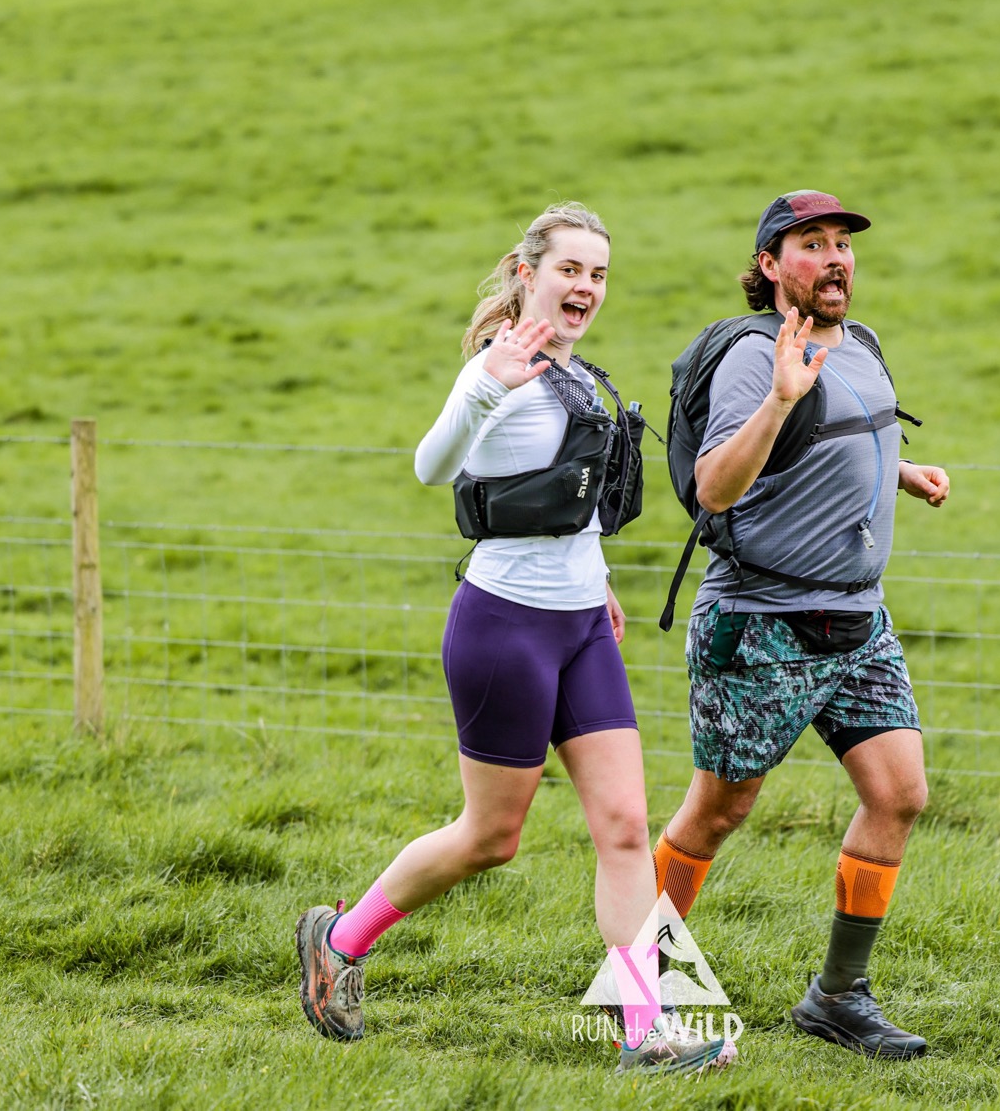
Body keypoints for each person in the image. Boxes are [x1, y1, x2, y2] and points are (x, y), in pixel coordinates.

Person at [295, 202, 725, 1074]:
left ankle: (645, 1028)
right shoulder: (497, 367)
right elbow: (431, 464)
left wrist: (597, 579)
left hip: (581, 626)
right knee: (491, 837)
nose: (586, 286)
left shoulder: (578, 373)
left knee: (624, 826)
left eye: (598, 273)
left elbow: (567, 497)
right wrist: (488, 384)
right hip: (503, 627)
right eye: (570, 268)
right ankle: (339, 939)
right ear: (527, 273)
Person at [652, 191, 951, 1059]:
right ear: (770, 266)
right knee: (718, 811)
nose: (834, 259)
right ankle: (642, 984)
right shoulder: (754, 358)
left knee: (898, 794)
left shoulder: (860, 343)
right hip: (762, 620)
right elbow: (715, 487)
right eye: (811, 244)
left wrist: (901, 471)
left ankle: (837, 997)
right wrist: (779, 399)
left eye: (841, 244)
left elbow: (848, 432)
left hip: (857, 619)